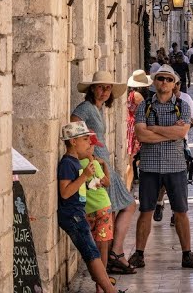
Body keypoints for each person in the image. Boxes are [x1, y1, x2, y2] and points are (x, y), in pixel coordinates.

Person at [130, 65, 193, 270]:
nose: (164, 82)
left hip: (176, 166)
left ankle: (187, 254)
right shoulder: (144, 106)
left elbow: (181, 133)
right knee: (146, 210)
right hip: (149, 166)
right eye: (161, 78)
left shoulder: (183, 106)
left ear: (175, 84)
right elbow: (141, 135)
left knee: (181, 211)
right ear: (154, 82)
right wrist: (169, 132)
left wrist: (154, 129)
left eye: (169, 79)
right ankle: (139, 254)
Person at [71, 72, 138, 276]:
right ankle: (113, 256)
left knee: (116, 209)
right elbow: (73, 133)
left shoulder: (98, 109)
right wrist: (87, 158)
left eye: (108, 88)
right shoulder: (85, 109)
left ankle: (113, 254)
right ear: (92, 88)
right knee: (118, 208)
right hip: (95, 165)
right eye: (101, 87)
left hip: (103, 165)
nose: (105, 91)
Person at [57, 121, 125, 293]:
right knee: (92, 254)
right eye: (85, 139)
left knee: (92, 253)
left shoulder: (76, 162)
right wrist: (85, 176)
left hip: (78, 213)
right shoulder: (67, 163)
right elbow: (65, 192)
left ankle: (107, 288)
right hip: (72, 215)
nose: (89, 143)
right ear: (73, 141)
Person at [125, 70, 152, 188]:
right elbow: (146, 112)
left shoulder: (131, 94)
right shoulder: (138, 96)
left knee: (132, 157)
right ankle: (128, 184)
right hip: (136, 126)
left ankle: (131, 183)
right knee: (133, 158)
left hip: (131, 125)